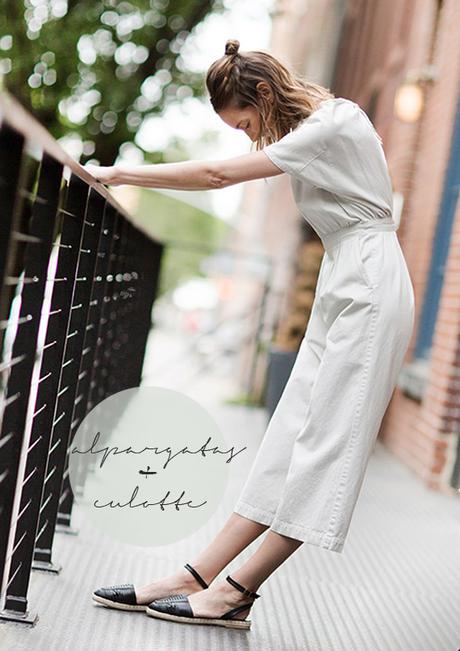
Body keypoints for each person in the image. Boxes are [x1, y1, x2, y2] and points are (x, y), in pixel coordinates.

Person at [90, 39, 415, 630]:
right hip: (343, 278)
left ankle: (236, 589)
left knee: (326, 449)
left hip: (368, 282)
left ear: (264, 94)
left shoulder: (331, 123)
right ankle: (195, 576)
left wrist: (119, 170)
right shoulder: (310, 132)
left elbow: (217, 175)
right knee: (290, 436)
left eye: (244, 122)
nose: (246, 136)